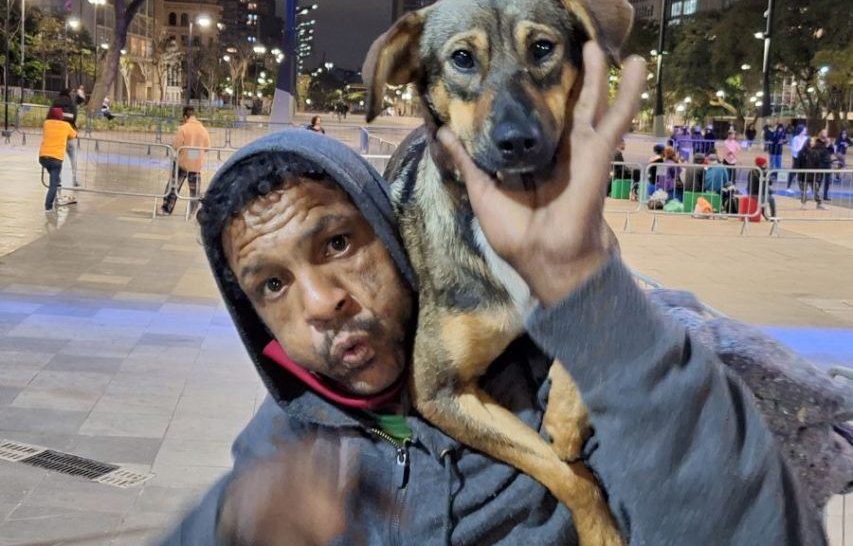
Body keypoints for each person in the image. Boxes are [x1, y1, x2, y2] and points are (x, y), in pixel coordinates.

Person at [159, 50, 820, 545]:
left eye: (337, 243)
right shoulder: (281, 450)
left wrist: (597, 309)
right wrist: (222, 527)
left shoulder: (570, 396)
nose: (321, 301)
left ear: (398, 236)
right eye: (271, 285)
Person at [159, 106, 211, 216]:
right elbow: (207, 147)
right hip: (196, 163)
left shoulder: (183, 128)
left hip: (182, 162)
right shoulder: (203, 129)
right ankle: (193, 211)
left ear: (185, 116)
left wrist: (185, 152)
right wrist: (194, 153)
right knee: (195, 190)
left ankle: (167, 208)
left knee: (174, 186)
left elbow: (177, 146)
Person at [38, 107, 77, 211]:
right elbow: (74, 135)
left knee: (54, 177)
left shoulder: (46, 123)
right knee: (53, 184)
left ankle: (57, 188)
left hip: (43, 157)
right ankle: (48, 207)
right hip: (56, 158)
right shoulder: (65, 125)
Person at [50, 89, 81, 187]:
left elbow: (50, 117)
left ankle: (58, 180)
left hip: (56, 135)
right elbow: (74, 117)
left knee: (57, 159)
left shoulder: (55, 103)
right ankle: (74, 178)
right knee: (72, 156)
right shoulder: (71, 104)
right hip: (68, 134)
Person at [797, 138, 824, 210]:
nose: (813, 143)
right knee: (803, 190)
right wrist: (799, 173)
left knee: (816, 189)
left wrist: (817, 174)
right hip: (803, 174)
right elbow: (798, 163)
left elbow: (818, 164)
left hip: (813, 174)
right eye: (812, 141)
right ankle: (803, 204)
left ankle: (819, 203)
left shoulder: (816, 152)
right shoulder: (801, 152)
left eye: (813, 141)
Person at [749, 156, 776, 220]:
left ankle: (764, 213)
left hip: (751, 193)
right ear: (762, 164)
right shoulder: (763, 172)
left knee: (765, 196)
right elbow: (770, 183)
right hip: (758, 194)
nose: (767, 164)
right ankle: (773, 216)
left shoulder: (752, 171)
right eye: (765, 163)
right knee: (771, 199)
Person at [813, 130, 833, 202]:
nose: (826, 135)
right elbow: (820, 152)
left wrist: (830, 144)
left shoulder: (828, 141)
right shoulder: (818, 142)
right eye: (824, 133)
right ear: (821, 134)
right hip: (821, 163)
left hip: (828, 162)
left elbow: (832, 151)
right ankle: (816, 195)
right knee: (819, 180)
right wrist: (826, 145)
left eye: (826, 133)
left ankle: (825, 195)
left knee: (827, 180)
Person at [788, 126, 809, 190]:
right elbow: (793, 149)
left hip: (804, 158)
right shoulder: (795, 138)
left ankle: (804, 188)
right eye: (804, 130)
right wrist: (800, 149)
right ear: (801, 130)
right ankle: (788, 187)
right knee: (793, 171)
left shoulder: (806, 138)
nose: (805, 131)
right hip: (797, 157)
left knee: (803, 173)